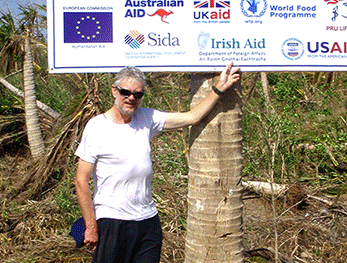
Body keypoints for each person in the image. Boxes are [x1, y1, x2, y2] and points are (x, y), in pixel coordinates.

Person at [74, 62, 241, 263]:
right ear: (114, 91)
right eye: (125, 92)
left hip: (147, 220)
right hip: (112, 220)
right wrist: (91, 226)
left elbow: (192, 117)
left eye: (138, 94)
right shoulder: (97, 127)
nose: (131, 98)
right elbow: (81, 180)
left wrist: (219, 88)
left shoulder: (146, 118)